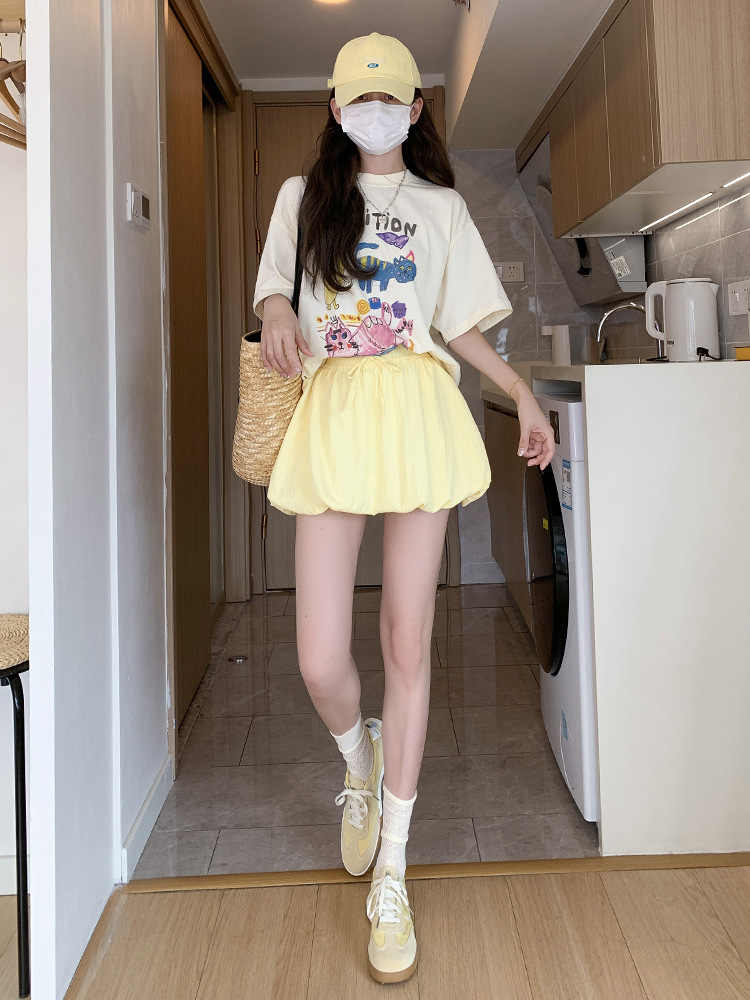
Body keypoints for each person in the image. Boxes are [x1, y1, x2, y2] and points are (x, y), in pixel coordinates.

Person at [252, 32, 556, 984]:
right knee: (318, 657)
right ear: (336, 108)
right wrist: (274, 310)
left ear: (415, 110)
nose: (377, 112)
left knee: (405, 642)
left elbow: (455, 324)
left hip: (417, 411)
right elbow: (273, 292)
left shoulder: (441, 208)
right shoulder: (303, 199)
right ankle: (359, 759)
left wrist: (523, 392)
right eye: (361, 98)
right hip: (336, 412)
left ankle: (394, 868)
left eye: (393, 99)